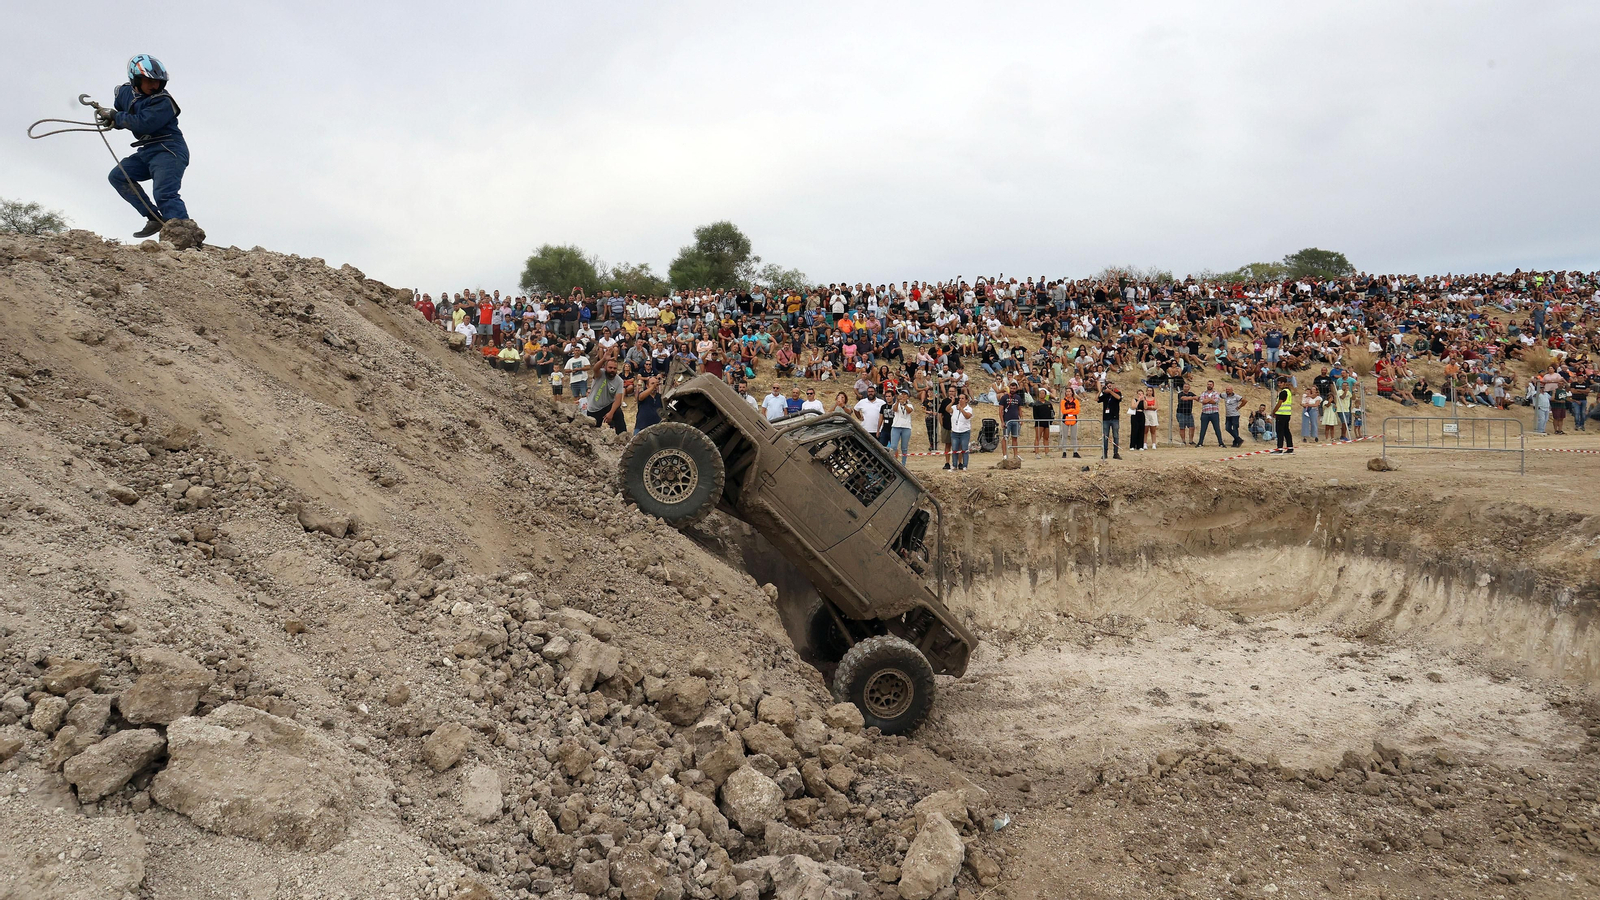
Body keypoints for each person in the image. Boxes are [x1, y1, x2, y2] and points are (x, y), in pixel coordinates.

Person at [100, 55, 192, 238]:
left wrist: (116, 117)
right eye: (149, 81)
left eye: (158, 82)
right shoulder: (123, 93)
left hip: (169, 149)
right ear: (135, 79)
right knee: (119, 176)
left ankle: (185, 238)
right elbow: (125, 115)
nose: (155, 86)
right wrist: (113, 119)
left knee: (165, 194)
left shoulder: (164, 102)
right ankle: (153, 218)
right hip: (147, 150)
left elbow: (143, 124)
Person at [586, 350, 626, 433]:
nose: (612, 370)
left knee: (618, 413)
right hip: (594, 408)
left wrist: (611, 413)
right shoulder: (600, 374)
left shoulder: (619, 381)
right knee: (593, 430)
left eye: (614, 368)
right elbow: (595, 369)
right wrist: (603, 359)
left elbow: (618, 400)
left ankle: (623, 436)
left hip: (607, 406)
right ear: (605, 367)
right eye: (610, 368)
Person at [949, 391, 974, 470]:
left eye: (962, 398)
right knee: (955, 449)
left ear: (966, 400)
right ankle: (954, 465)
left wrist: (961, 409)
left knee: (964, 449)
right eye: (959, 398)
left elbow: (967, 416)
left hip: (964, 432)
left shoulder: (969, 409)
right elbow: (947, 410)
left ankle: (965, 466)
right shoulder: (954, 407)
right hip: (955, 431)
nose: (960, 400)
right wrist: (952, 402)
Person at [889, 388, 915, 465]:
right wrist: (898, 402)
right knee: (893, 446)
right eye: (902, 394)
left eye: (905, 394)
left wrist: (904, 404)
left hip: (906, 427)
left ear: (908, 397)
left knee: (904, 447)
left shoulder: (909, 405)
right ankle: (892, 462)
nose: (903, 396)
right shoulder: (895, 404)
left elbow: (909, 411)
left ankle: (903, 463)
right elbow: (895, 409)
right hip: (896, 426)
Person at [1099, 381, 1123, 460]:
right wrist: (1100, 391)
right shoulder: (1105, 395)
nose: (1109, 387)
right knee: (1105, 436)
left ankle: (1116, 453)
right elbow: (1096, 399)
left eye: (1110, 386)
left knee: (1115, 436)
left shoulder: (1117, 392)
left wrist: (1110, 392)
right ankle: (1104, 453)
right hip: (1106, 418)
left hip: (1115, 418)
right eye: (1108, 386)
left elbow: (1119, 398)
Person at [1271, 377, 1295, 454]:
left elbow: (1279, 403)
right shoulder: (1288, 391)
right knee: (1286, 431)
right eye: (1278, 383)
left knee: (1280, 431)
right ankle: (1290, 447)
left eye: (1280, 383)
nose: (1279, 384)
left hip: (1281, 414)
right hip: (1287, 414)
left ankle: (1280, 448)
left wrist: (1273, 412)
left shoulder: (1283, 392)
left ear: (1284, 383)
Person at [999, 383, 1024, 459]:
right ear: (1009, 388)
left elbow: (1020, 409)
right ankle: (1005, 455)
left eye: (1014, 388)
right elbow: (1000, 411)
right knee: (1005, 437)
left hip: (1015, 420)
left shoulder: (1018, 398)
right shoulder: (1004, 397)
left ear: (1016, 389)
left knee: (1015, 437)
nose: (1012, 390)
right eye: (1011, 388)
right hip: (1007, 420)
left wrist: (1021, 418)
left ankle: (1016, 454)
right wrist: (1002, 421)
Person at [1197, 382, 1223, 448]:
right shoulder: (1203, 393)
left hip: (1214, 413)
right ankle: (1200, 443)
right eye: (1208, 384)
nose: (1209, 385)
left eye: (1210, 384)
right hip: (1205, 413)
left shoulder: (1216, 393)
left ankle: (1221, 443)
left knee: (1217, 428)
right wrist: (1210, 400)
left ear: (1213, 385)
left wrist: (1207, 400)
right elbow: (1202, 401)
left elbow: (1215, 401)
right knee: (1203, 429)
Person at [1059, 388, 1081, 458]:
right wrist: (1071, 410)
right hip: (1065, 420)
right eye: (1067, 392)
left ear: (1072, 393)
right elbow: (1063, 411)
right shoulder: (1063, 401)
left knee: (1074, 436)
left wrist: (1069, 410)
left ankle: (1075, 451)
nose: (1068, 393)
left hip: (1074, 419)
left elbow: (1077, 411)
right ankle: (1064, 451)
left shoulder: (1076, 401)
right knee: (1064, 436)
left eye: (1069, 391)